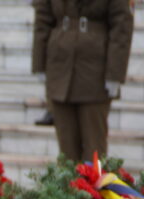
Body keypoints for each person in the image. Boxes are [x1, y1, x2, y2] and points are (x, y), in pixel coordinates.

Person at [32, 0, 133, 163]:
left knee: (94, 149)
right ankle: (69, 188)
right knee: (66, 154)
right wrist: (39, 63)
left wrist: (115, 74)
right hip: (60, 67)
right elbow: (43, 18)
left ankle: (93, 189)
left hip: (95, 72)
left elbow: (121, 26)